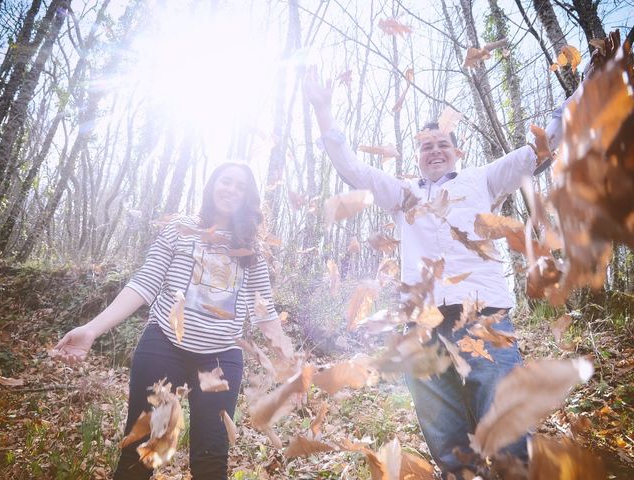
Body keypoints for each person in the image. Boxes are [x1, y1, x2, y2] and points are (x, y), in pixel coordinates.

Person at [305, 66, 572, 478]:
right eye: (426, 145)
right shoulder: (403, 193)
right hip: (423, 328)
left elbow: (542, 146)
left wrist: (589, 83)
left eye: (442, 144)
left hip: (484, 319)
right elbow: (353, 170)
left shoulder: (482, 179)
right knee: (448, 443)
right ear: (417, 156)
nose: (434, 150)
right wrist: (323, 110)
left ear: (456, 151)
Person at [52, 161, 291, 479]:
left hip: (221, 356)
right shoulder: (181, 228)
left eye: (241, 186)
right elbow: (145, 283)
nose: (231, 189)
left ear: (249, 198)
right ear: (212, 186)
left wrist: (291, 363)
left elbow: (264, 312)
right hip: (165, 345)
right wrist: (92, 329)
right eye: (226, 181)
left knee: (211, 457)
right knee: (144, 449)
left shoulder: (251, 251)